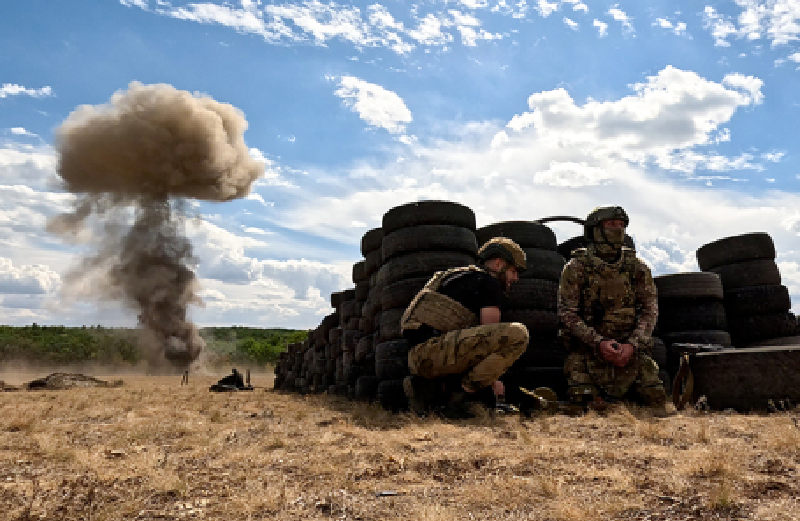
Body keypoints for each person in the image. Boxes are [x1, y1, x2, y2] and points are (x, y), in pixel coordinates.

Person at [557, 206, 671, 416]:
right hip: (588, 352)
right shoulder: (577, 267)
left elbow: (649, 311)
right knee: (583, 403)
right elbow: (567, 314)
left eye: (621, 226)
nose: (617, 230)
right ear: (595, 230)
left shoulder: (637, 267)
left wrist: (632, 345)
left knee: (655, 401)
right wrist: (598, 343)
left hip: (630, 353)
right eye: (610, 225)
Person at [401, 237, 530, 417]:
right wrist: (493, 383)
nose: (515, 278)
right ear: (498, 264)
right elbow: (491, 339)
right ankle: (461, 399)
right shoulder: (488, 283)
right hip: (434, 353)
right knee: (517, 334)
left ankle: (433, 390)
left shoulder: (455, 277)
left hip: (417, 358)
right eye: (514, 271)